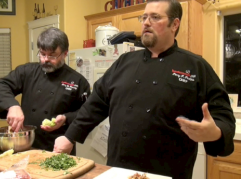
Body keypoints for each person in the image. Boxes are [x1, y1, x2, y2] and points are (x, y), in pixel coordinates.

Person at [53, 0, 236, 178]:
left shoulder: (196, 67)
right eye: (144, 17)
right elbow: (95, 104)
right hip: (120, 171)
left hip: (168, 173)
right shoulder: (124, 62)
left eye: (155, 17)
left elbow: (223, 116)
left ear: (175, 24)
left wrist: (216, 132)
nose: (146, 22)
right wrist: (70, 136)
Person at [0, 27, 90, 155]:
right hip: (26, 146)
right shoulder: (27, 71)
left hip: (58, 149)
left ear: (65, 53)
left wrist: (66, 118)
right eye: (42, 54)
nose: (45, 60)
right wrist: (12, 105)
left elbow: (87, 113)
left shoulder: (78, 81)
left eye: (52, 55)